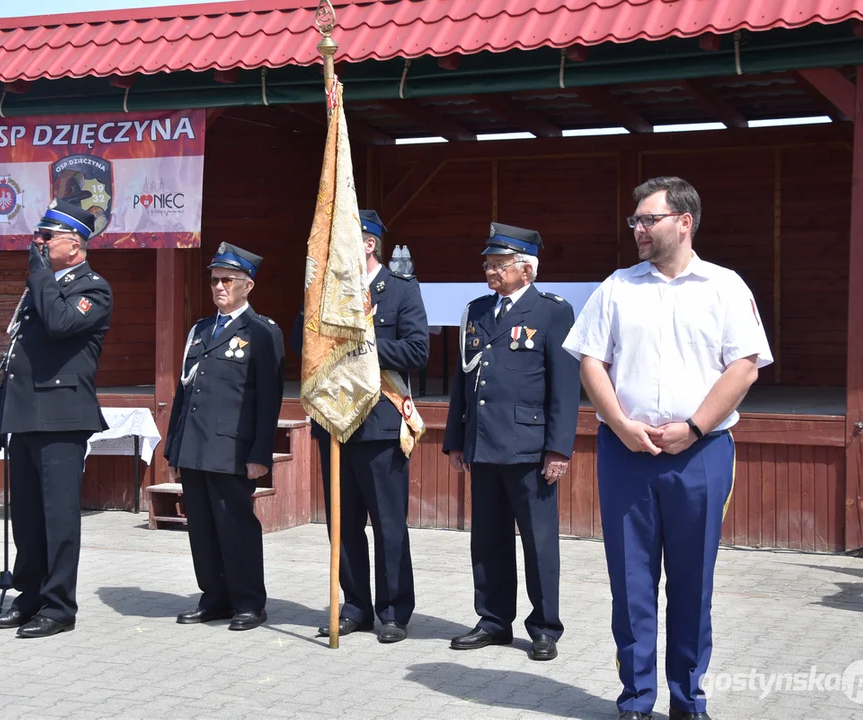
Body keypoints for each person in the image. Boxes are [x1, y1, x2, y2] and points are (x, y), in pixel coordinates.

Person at [562, 177, 772, 720]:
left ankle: (687, 700)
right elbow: (590, 361)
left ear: (684, 221)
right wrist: (620, 423)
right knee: (630, 584)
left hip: (701, 453)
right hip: (626, 452)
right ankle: (635, 700)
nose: (637, 228)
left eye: (647, 219)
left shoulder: (725, 287)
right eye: (634, 220)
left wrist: (697, 427)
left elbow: (744, 365)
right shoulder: (616, 287)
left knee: (691, 581)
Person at [289, 209, 429, 643]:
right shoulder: (327, 293)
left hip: (380, 423)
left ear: (368, 244)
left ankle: (392, 611)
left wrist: (361, 342)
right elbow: (300, 344)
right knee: (342, 524)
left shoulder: (401, 290)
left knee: (388, 522)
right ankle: (354, 607)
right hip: (335, 422)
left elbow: (416, 350)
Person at [442, 222, 580, 661]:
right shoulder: (478, 310)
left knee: (538, 541)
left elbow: (564, 386)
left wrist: (558, 448)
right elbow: (463, 381)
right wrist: (456, 439)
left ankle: (544, 627)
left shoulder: (552, 312)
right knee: (487, 539)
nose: (491, 271)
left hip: (529, 446)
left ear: (527, 270)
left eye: (500, 264)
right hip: (483, 443)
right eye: (488, 264)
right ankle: (494, 619)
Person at [0, 198, 114, 639]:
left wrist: (40, 274)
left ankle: (59, 606)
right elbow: (18, 356)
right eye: (38, 236)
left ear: (74, 245)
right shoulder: (41, 287)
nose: (36, 243)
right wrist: (2, 411)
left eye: (46, 237)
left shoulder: (93, 289)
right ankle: (31, 596)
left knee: (58, 518)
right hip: (26, 416)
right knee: (27, 517)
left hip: (62, 418)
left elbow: (60, 324)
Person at [165, 242, 284, 632]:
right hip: (195, 445)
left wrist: (260, 454)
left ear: (247, 285)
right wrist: (174, 448)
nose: (219, 287)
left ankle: (249, 602)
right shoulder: (200, 329)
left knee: (236, 527)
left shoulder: (262, 332)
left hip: (232, 448)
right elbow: (184, 392)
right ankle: (213, 597)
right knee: (201, 528)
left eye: (227, 280)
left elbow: (268, 400)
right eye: (215, 280)